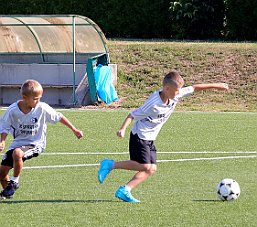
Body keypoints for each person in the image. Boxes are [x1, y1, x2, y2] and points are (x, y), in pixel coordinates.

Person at [97, 70, 229, 202]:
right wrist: (122, 129)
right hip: (140, 136)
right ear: (166, 88)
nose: (179, 93)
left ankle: (125, 190)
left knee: (151, 169)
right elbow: (132, 114)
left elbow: (195, 88)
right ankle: (110, 165)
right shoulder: (153, 103)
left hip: (150, 138)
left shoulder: (174, 94)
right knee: (144, 166)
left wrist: (218, 85)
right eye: (176, 91)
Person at [0, 79, 83, 199]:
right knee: (2, 173)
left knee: (18, 153)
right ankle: (7, 194)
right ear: (24, 97)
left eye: (40, 98)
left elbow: (59, 117)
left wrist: (74, 129)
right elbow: (5, 126)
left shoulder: (42, 108)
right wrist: (2, 140)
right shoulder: (13, 110)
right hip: (17, 143)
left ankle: (15, 182)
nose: (38, 101)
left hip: (35, 144)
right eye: (35, 99)